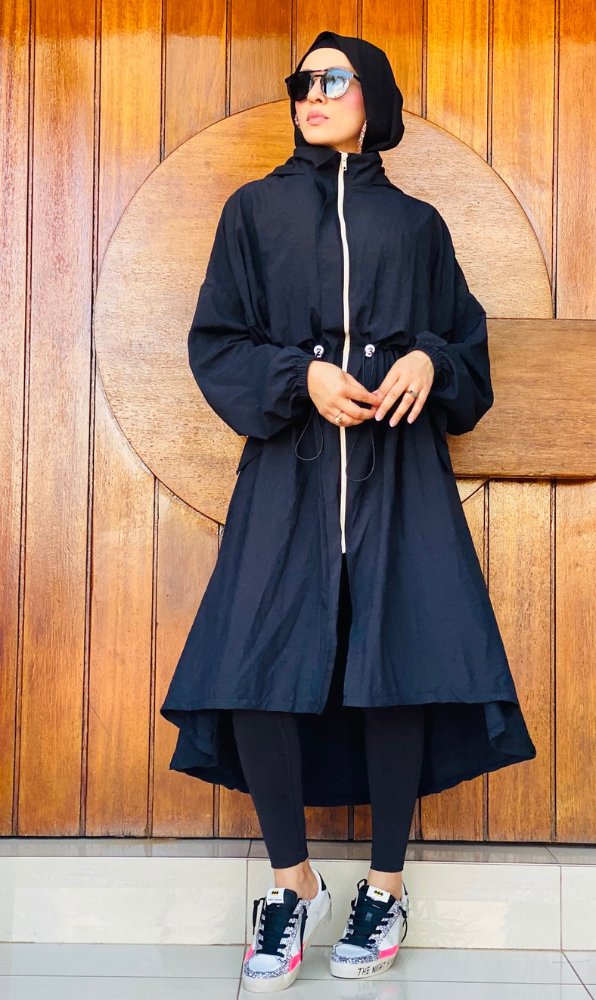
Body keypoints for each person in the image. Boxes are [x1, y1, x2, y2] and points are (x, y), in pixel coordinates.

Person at [160, 30, 537, 992]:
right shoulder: (252, 213)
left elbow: (467, 349)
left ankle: (385, 888)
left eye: (334, 79)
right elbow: (217, 341)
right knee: (253, 662)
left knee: (396, 666)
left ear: (375, 98)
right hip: (286, 471)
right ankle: (293, 887)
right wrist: (302, 377)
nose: (313, 93)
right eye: (303, 81)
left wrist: (428, 360)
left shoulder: (417, 226)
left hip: (398, 474)